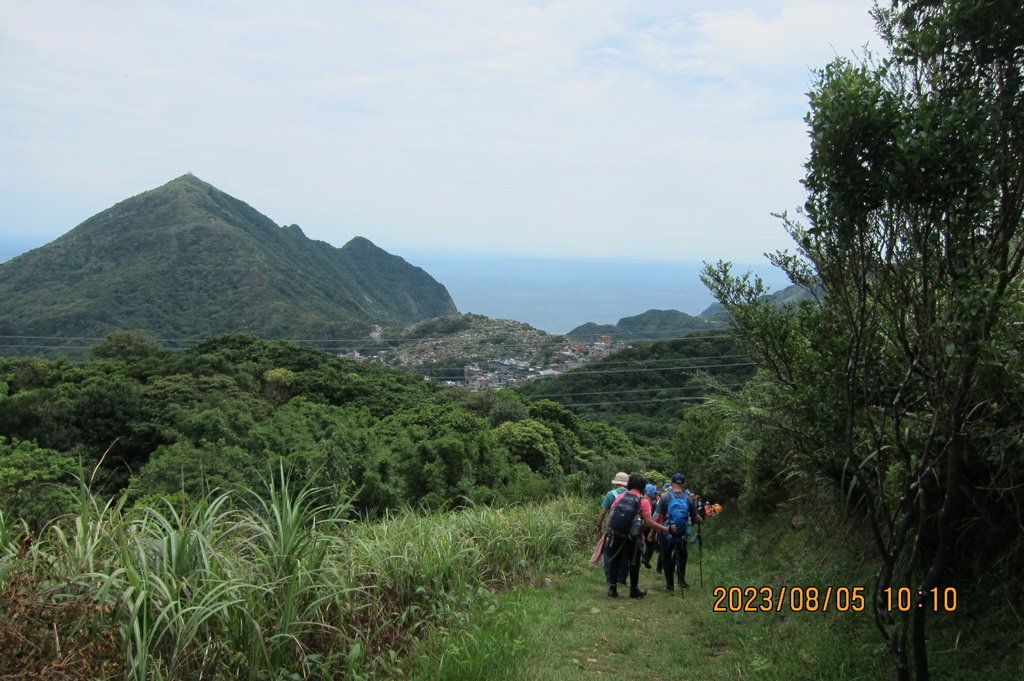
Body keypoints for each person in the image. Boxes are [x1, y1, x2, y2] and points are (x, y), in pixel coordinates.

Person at [605, 474, 669, 599]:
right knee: (634, 562)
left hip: (616, 534)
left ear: (629, 484)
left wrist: (608, 531)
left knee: (615, 561)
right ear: (642, 487)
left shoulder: (621, 497)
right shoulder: (643, 501)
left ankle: (612, 589)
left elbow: (611, 515)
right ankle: (634, 590)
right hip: (633, 538)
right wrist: (664, 529)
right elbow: (649, 521)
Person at [653, 473, 703, 591]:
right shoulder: (689, 499)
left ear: (672, 483)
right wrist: (701, 519)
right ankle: (681, 581)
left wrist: (653, 530)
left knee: (666, 557)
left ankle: (669, 585)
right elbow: (696, 518)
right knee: (682, 556)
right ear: (684, 484)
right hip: (682, 532)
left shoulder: (665, 497)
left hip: (667, 531)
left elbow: (655, 517)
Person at [596, 472, 630, 586]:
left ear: (616, 483)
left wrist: (599, 525)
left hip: (612, 528)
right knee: (625, 553)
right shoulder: (631, 495)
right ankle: (622, 578)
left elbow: (603, 512)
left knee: (609, 552)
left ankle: (610, 578)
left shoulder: (611, 494)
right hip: (627, 529)